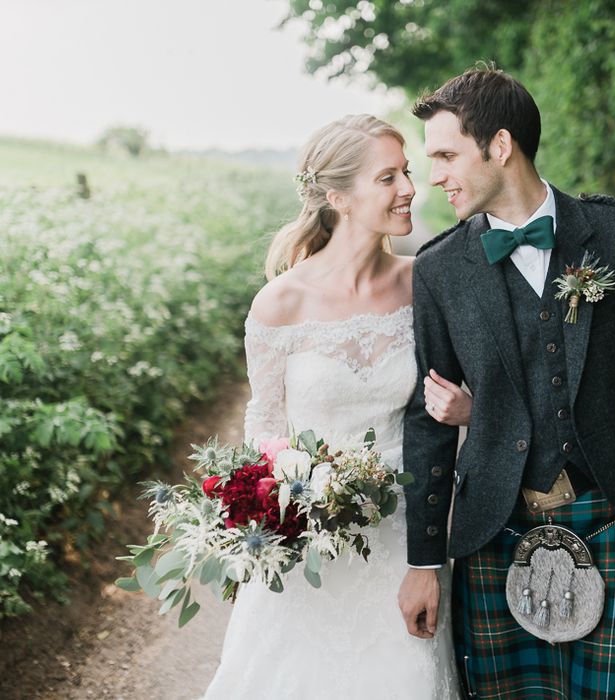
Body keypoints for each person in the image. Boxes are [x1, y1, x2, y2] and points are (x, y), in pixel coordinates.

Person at [398, 68, 615, 699]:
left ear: (502, 146)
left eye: (446, 155)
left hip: (611, 515)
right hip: (493, 529)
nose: (434, 176)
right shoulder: (438, 269)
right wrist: (424, 564)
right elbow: (427, 423)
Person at [202, 114, 465, 699]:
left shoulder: (424, 283)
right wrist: (274, 509)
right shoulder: (280, 304)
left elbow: (457, 391)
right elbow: (264, 429)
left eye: (407, 173)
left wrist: (471, 407)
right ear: (338, 196)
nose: (408, 189)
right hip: (310, 542)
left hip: (406, 535)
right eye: (387, 177)